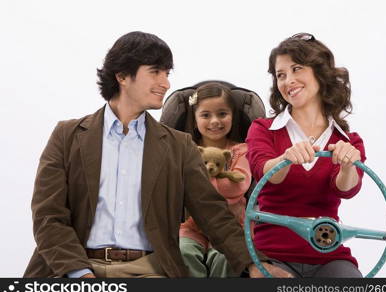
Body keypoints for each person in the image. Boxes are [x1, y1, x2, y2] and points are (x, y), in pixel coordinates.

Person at [24, 31, 290, 278]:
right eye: (155, 72)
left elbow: (213, 214)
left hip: (150, 271)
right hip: (73, 268)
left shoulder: (178, 145)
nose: (166, 83)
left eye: (167, 73)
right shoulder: (67, 135)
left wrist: (253, 263)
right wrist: (80, 274)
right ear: (122, 76)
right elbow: (48, 216)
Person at [246, 33, 366, 278]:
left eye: (296, 69)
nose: (288, 81)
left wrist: (347, 166)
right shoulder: (263, 129)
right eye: (281, 75)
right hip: (271, 256)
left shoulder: (348, 141)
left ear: (320, 72)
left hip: (329, 256)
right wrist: (285, 159)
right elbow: (265, 172)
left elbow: (346, 189)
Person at [178, 83, 251, 277]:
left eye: (222, 114)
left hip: (232, 225)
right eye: (205, 115)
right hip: (193, 224)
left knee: (226, 256)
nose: (215, 121)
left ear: (232, 116)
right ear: (194, 119)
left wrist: (198, 186)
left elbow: (237, 186)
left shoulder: (240, 151)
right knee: (183, 251)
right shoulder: (186, 151)